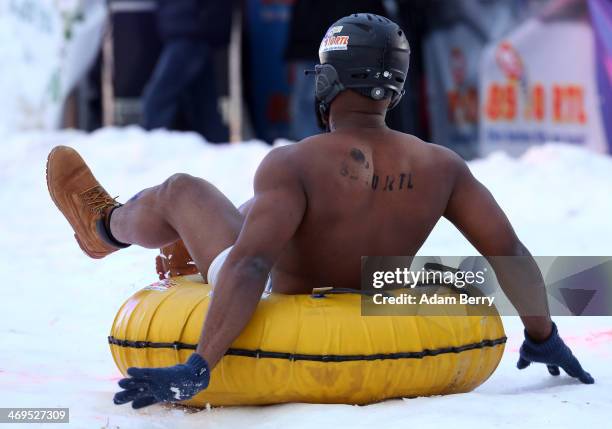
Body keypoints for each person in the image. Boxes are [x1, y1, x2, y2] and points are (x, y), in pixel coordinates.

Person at [46, 13, 593, 410]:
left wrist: (199, 366)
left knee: (183, 189)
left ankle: (105, 226)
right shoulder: (441, 165)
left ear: (328, 81)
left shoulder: (296, 163)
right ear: (394, 89)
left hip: (272, 294)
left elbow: (252, 265)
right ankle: (178, 247)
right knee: (252, 209)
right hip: (371, 285)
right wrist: (541, 333)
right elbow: (508, 251)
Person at [141, 0, 231, 142]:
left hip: (190, 31)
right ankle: (221, 152)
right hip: (189, 30)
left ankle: (153, 152)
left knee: (156, 101)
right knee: (205, 108)